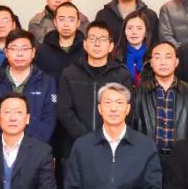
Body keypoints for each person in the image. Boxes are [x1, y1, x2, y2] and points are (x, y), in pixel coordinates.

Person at [55, 20, 133, 159]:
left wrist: (103, 138)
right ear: (85, 44)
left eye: (102, 39)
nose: (97, 44)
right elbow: (64, 110)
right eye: (92, 39)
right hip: (75, 146)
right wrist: (86, 139)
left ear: (111, 46)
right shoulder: (70, 73)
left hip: (111, 146)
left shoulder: (121, 75)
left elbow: (126, 110)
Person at [0, 29, 57, 144]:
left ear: (33, 52)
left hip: (35, 148)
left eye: (24, 49)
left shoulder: (47, 82)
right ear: (6, 52)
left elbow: (49, 119)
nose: (19, 54)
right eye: (13, 49)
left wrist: (30, 147)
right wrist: (2, 145)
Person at [129, 41, 188, 155]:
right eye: (157, 57)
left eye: (168, 57)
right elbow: (132, 127)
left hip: (180, 158)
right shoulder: (139, 92)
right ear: (151, 63)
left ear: (176, 62)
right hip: (148, 157)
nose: (163, 62)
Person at [35, 1, 86, 82]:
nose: (66, 24)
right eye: (61, 19)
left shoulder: (86, 50)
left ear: (78, 23)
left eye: (71, 20)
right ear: (55, 22)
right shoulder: (42, 50)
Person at [113, 10, 152, 86]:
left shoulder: (153, 56)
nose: (134, 32)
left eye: (139, 28)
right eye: (130, 28)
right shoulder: (115, 56)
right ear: (124, 31)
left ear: (146, 32)